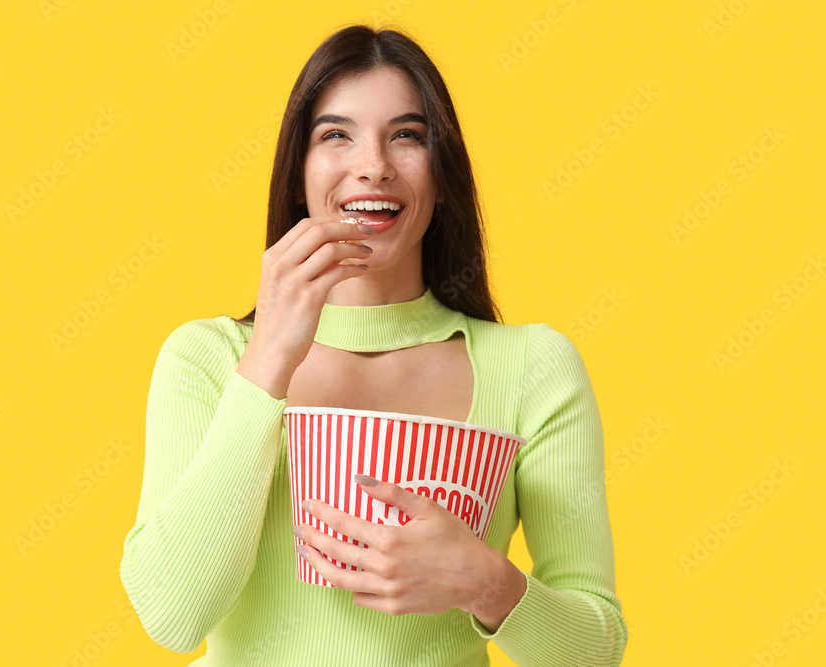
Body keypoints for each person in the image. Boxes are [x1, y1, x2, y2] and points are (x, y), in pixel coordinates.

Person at [120, 24, 627, 666]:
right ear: (298, 176)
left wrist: (486, 581)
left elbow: (594, 652)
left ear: (441, 177)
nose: (374, 166)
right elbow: (172, 614)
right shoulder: (207, 359)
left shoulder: (534, 369)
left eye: (407, 136)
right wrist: (270, 356)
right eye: (336, 134)